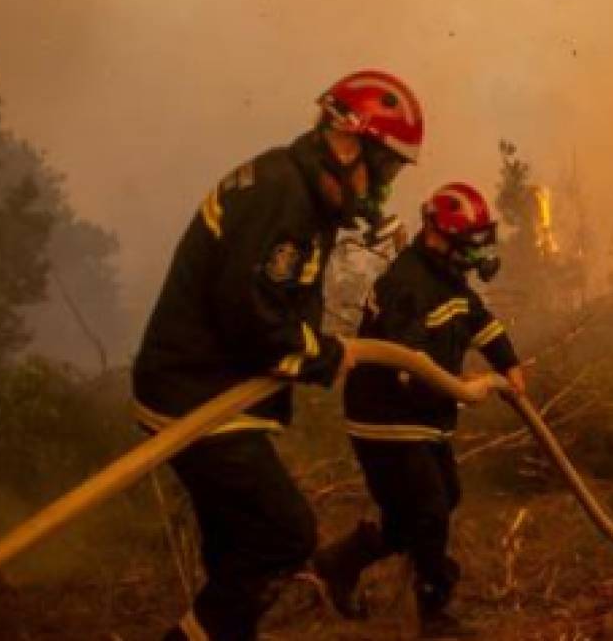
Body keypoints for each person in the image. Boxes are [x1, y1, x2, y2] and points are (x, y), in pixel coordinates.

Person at [132, 69, 423, 641]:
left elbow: (267, 306)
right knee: (283, 534)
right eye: (382, 169)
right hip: (198, 397)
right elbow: (254, 322)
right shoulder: (283, 197)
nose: (379, 191)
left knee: (236, 548)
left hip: (201, 389)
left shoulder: (294, 189)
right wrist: (323, 356)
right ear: (344, 142)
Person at [313, 181, 526, 638]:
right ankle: (434, 609)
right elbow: (411, 366)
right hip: (386, 417)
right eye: (469, 246)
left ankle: (339, 563)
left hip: (424, 416)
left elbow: (479, 322)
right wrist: (461, 388)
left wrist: (509, 365)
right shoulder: (404, 285)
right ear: (439, 237)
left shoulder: (448, 279)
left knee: (442, 499)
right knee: (428, 508)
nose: (476, 257)